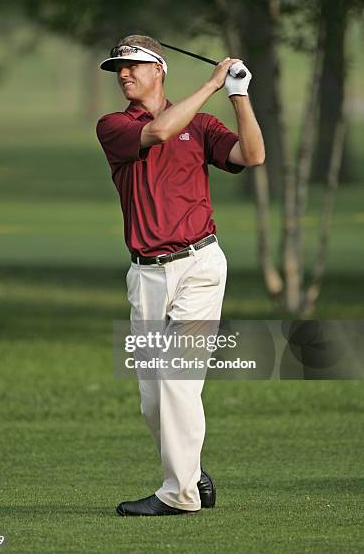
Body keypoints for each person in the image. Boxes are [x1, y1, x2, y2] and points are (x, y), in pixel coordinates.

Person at [96, 35, 265, 516]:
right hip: (146, 276)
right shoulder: (114, 126)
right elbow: (161, 132)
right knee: (153, 400)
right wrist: (212, 82)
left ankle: (180, 494)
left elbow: (252, 156)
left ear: (159, 70)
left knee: (177, 378)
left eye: (132, 65)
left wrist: (238, 94)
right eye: (118, 69)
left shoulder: (204, 126)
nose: (123, 74)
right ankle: (189, 471)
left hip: (199, 267)